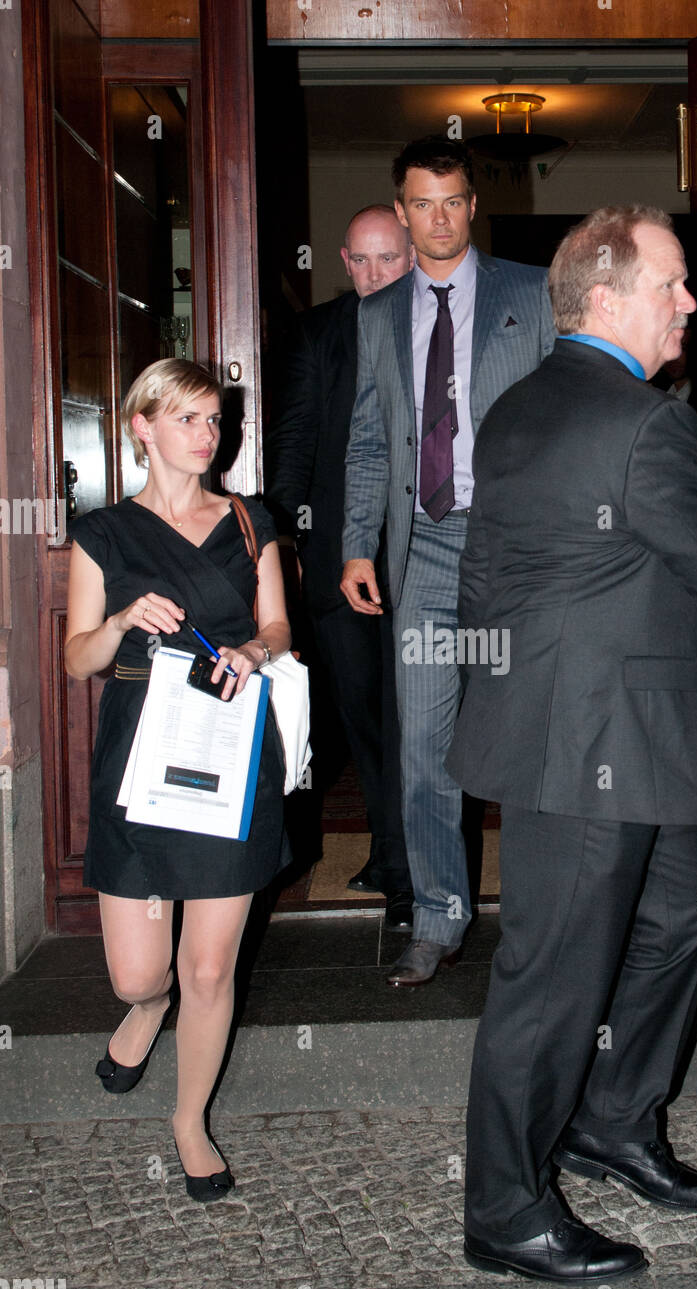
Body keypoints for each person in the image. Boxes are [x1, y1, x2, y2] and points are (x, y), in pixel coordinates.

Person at [445, 205, 697, 1284]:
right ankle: (504, 1208)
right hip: (586, 745)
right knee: (552, 978)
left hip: (590, 733)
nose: (691, 300)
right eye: (672, 283)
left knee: (692, 905)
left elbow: (487, 578)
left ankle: (614, 1119)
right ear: (608, 297)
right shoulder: (641, 419)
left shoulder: (519, 407)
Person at [65, 359, 292, 1202]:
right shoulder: (105, 533)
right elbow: (77, 656)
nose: (208, 435)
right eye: (190, 419)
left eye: (215, 421)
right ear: (142, 427)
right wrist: (122, 621)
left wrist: (253, 651)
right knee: (138, 976)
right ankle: (146, 1012)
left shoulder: (245, 519)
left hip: (228, 753)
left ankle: (190, 1120)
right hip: (139, 760)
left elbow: (276, 624)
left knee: (208, 969)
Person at [341, 136, 555, 986]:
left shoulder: (531, 294)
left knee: (537, 737)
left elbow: (566, 413)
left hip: (514, 550)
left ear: (473, 206)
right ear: (402, 211)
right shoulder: (377, 314)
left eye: (453, 201)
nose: (438, 217)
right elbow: (366, 439)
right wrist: (358, 542)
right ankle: (437, 916)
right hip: (422, 551)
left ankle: (547, 918)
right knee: (424, 745)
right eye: (421, 203)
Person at [266, 206, 415, 931]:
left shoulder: (440, 330)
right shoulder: (317, 332)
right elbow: (293, 447)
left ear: (414, 257)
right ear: (344, 262)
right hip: (336, 565)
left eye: (390, 259)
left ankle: (414, 861)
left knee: (422, 721)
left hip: (429, 564)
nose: (376, 274)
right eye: (362, 261)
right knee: (366, 721)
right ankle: (394, 857)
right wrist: (279, 547)